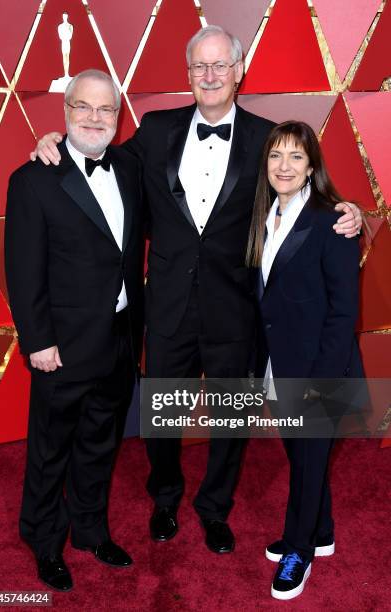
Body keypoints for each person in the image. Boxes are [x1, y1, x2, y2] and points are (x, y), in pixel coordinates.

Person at [31, 25, 362, 555]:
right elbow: (98, 160)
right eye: (198, 68)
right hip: (165, 303)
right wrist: (53, 139)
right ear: (188, 75)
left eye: (219, 66)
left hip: (236, 307)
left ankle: (214, 508)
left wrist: (347, 210)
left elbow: (301, 183)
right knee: (164, 411)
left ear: (238, 73)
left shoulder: (264, 136)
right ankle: (165, 497)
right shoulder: (155, 130)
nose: (209, 76)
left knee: (231, 416)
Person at [5, 69, 144, 591]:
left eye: (105, 109)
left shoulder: (129, 166)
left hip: (119, 338)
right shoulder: (33, 179)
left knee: (99, 444)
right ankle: (43, 540)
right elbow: (24, 269)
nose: (94, 118)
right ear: (65, 112)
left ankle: (89, 529)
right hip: (60, 347)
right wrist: (37, 340)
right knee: (50, 450)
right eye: (82, 107)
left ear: (118, 116)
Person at [246, 121, 365, 600]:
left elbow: (343, 312)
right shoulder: (264, 217)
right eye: (276, 156)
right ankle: (322, 530)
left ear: (311, 166)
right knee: (302, 456)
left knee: (307, 462)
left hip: (319, 369)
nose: (284, 166)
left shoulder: (331, 220)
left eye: (296, 156)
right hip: (279, 365)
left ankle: (299, 551)